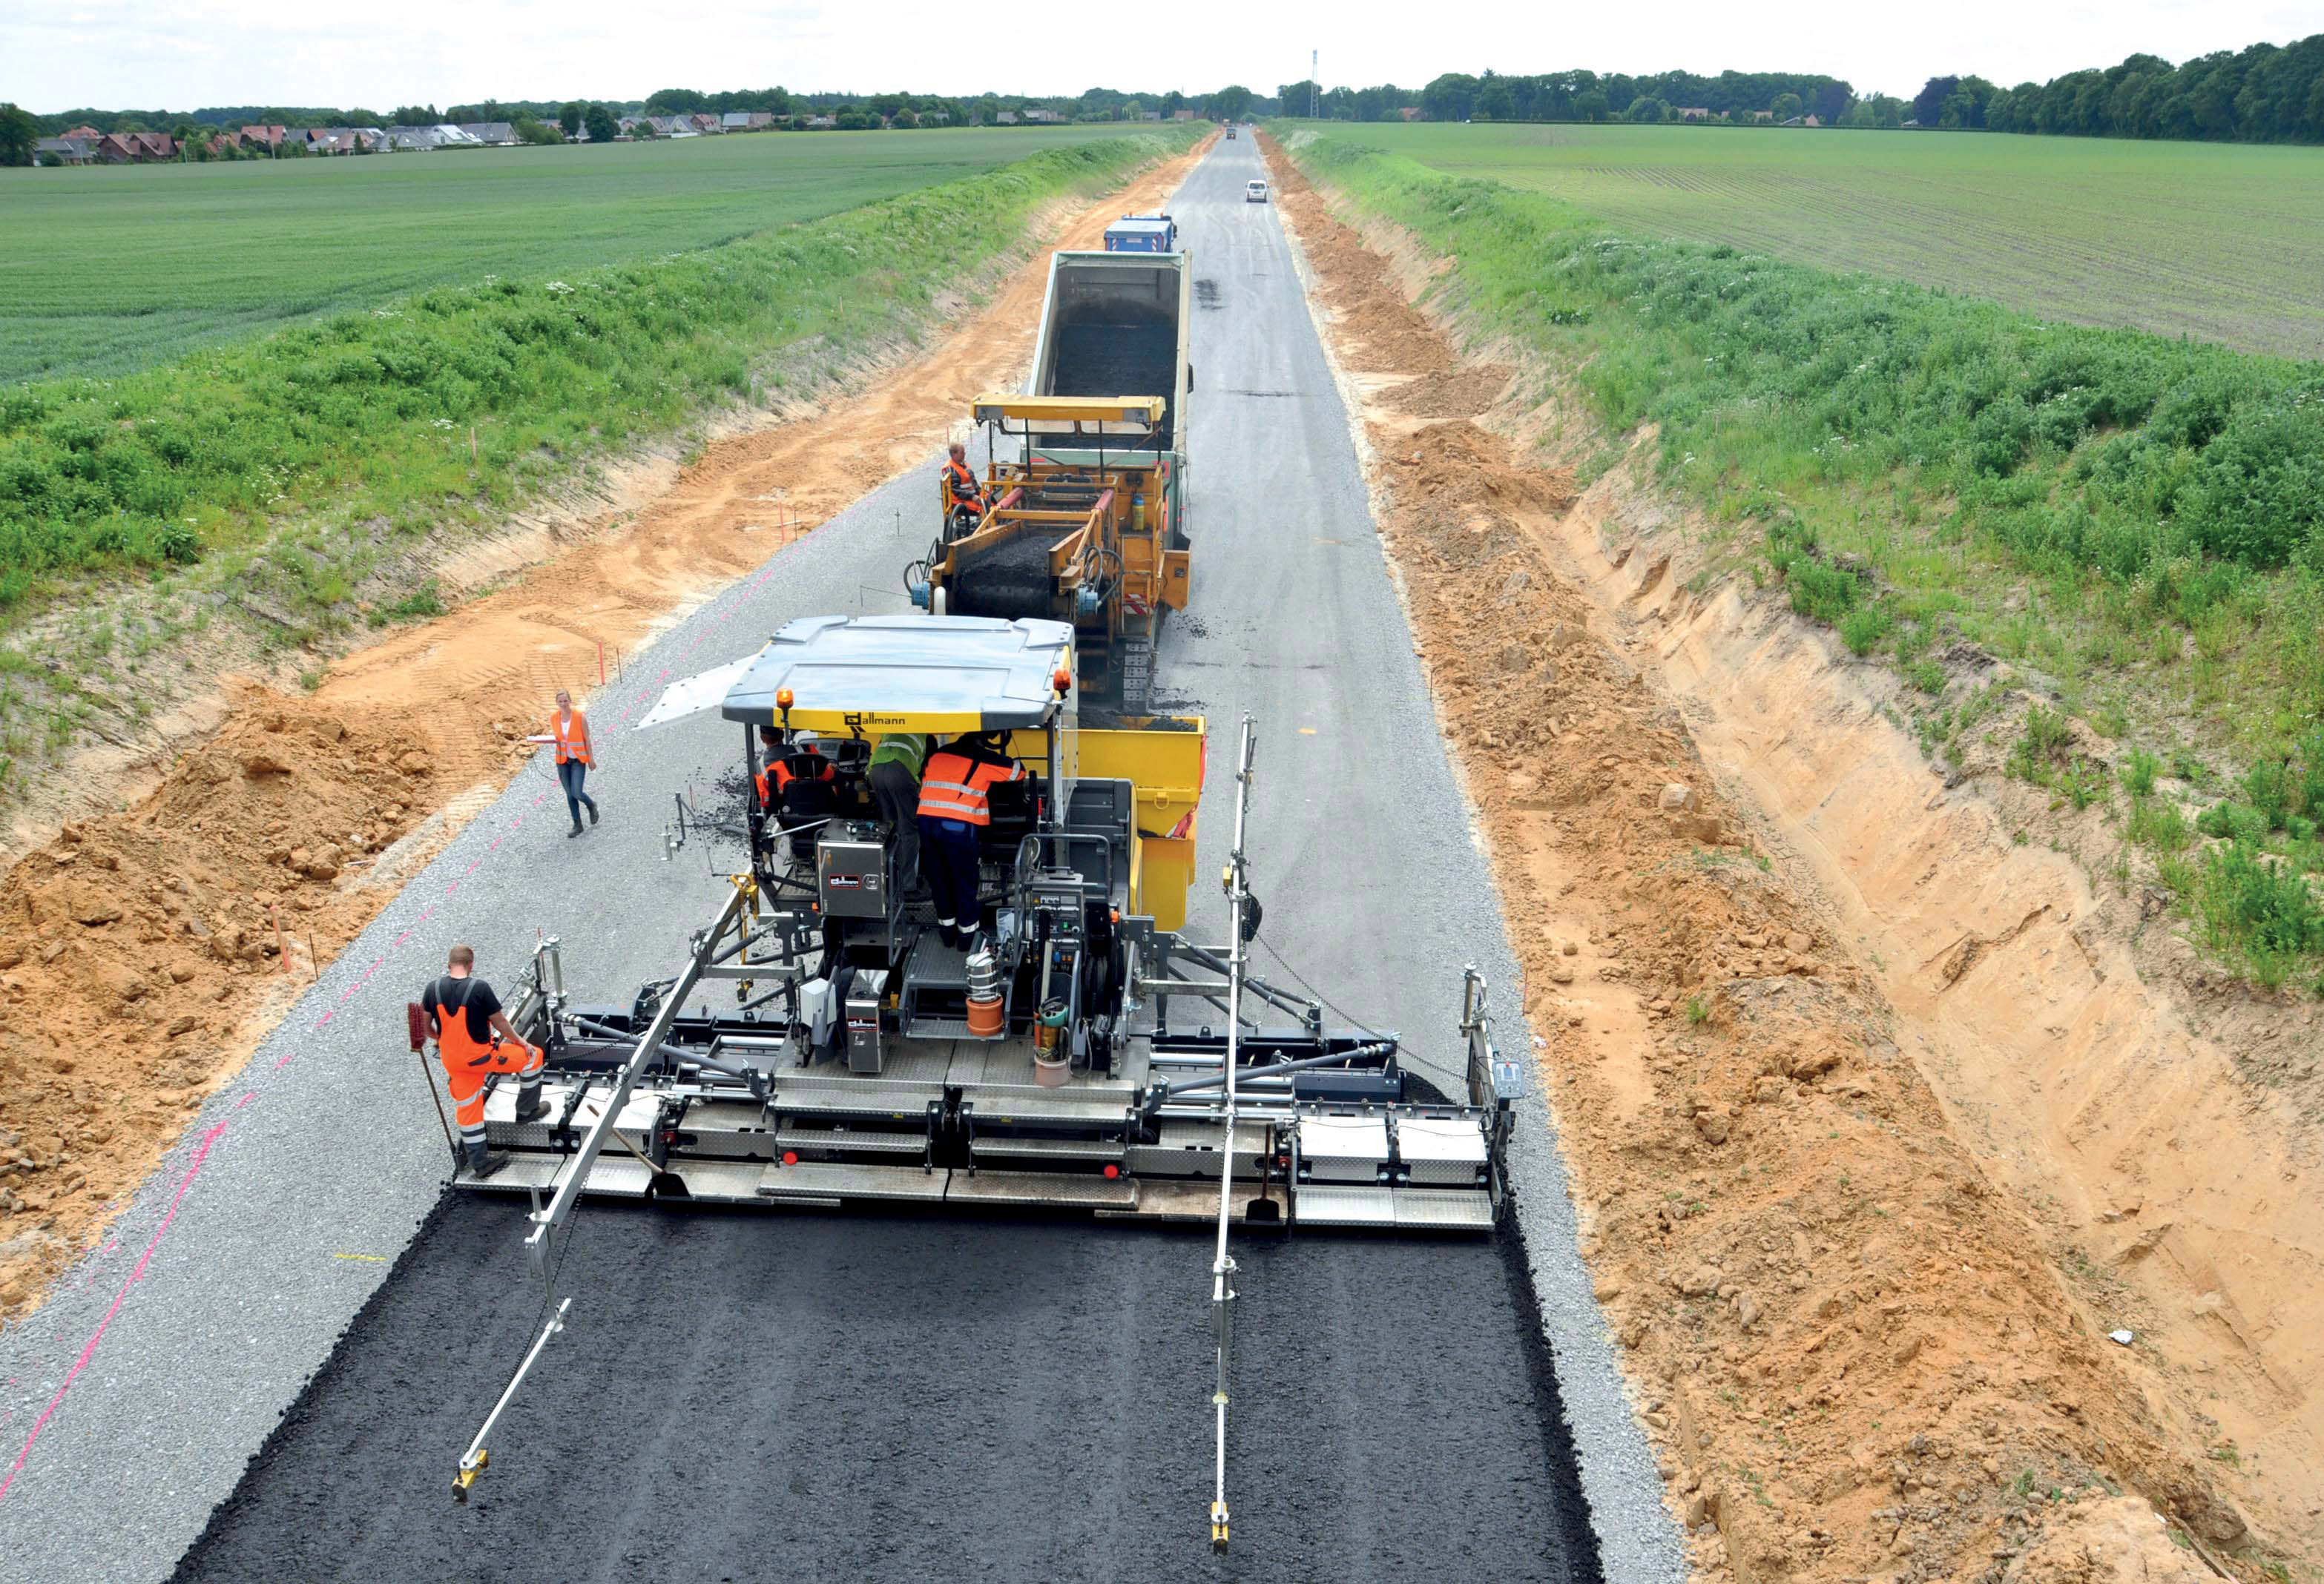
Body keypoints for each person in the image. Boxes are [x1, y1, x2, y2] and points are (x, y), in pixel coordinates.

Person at [422, 945, 543, 1179]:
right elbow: (501, 1024)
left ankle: (480, 1163)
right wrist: (521, 1042)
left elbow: (425, 1027)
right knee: (533, 1057)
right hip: (482, 1057)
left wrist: (440, 1039)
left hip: (453, 1063)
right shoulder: (479, 988)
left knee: (468, 1108)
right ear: (471, 965)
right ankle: (527, 1110)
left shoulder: (432, 989)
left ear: (449, 965)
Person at [916, 733, 1026, 948]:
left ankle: (947, 934)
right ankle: (966, 938)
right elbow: (1018, 773)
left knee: (939, 879)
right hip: (956, 826)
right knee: (964, 881)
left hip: (925, 821)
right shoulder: (982, 757)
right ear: (981, 743)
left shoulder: (938, 755)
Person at [866, 731, 929, 897]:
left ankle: (887, 881)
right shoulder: (926, 735)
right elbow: (926, 771)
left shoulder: (892, 727)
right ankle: (907, 886)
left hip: (876, 769)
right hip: (900, 771)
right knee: (909, 830)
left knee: (889, 827)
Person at [551, 689, 599, 838]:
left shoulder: (579, 717)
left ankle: (591, 804)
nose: (563, 704)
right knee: (569, 794)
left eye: (566, 701)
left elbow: (587, 739)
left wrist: (590, 759)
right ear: (557, 703)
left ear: (570, 701)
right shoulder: (554, 718)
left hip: (578, 760)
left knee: (577, 792)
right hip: (562, 761)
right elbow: (558, 738)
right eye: (561, 702)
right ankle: (577, 824)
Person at [941, 441, 985, 531]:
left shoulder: (964, 464)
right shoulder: (950, 469)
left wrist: (982, 493)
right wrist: (972, 497)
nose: (964, 454)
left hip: (969, 497)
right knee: (983, 507)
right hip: (958, 501)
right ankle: (980, 530)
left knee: (989, 500)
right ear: (954, 454)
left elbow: (973, 483)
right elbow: (956, 491)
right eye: (962, 452)